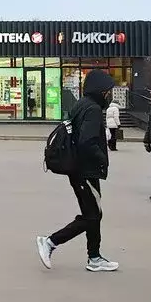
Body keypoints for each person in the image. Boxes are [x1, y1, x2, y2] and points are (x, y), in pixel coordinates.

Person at [36, 70, 119, 272]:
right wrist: (101, 158)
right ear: (100, 90)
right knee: (92, 215)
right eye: (108, 91)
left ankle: (94, 257)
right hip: (86, 171)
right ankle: (51, 242)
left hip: (80, 170)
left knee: (93, 213)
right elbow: (86, 142)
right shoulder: (91, 110)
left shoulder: (81, 104)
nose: (109, 95)